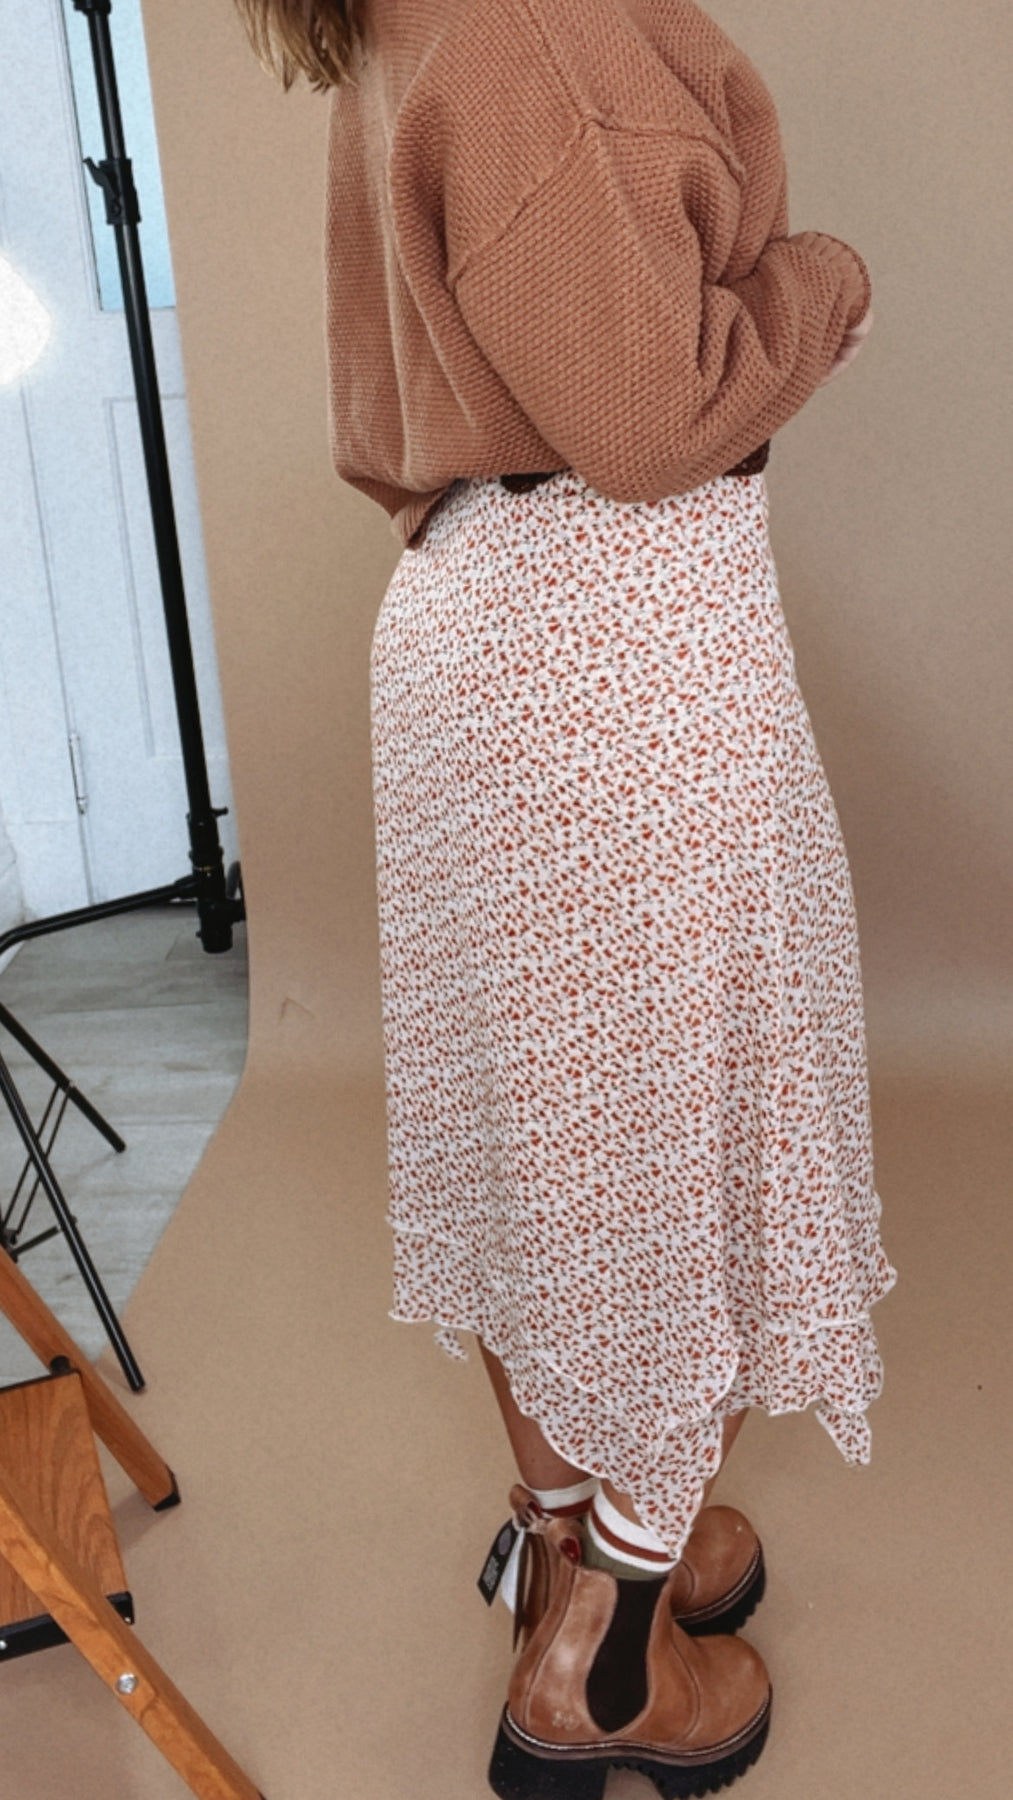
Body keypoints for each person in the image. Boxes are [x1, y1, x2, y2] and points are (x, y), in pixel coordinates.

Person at [234, 2, 897, 1794]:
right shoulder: (526, 18)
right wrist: (821, 281)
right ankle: (601, 1656)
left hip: (480, 627)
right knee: (685, 1140)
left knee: (548, 1143)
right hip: (618, 644)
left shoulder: (411, 19)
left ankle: (566, 1536)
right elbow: (647, 411)